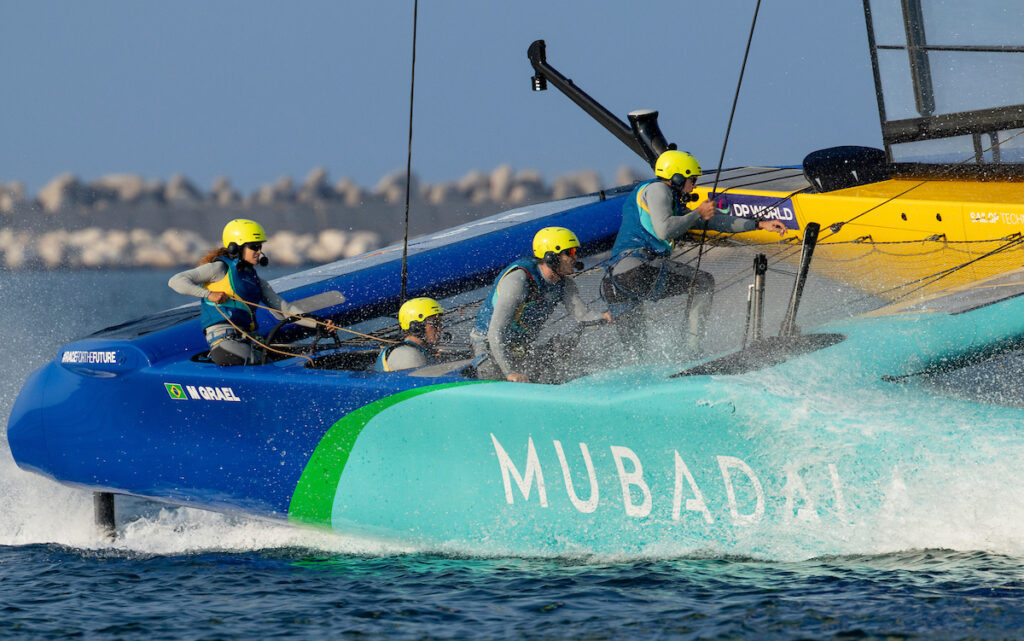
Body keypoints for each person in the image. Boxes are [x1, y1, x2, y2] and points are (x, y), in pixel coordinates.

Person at [602, 150, 787, 359]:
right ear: (677, 178)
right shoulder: (659, 189)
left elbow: (715, 221)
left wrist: (759, 224)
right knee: (703, 282)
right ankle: (692, 354)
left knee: (638, 354)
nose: (695, 185)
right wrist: (697, 213)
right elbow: (665, 230)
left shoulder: (670, 203)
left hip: (615, 282)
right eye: (692, 179)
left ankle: (647, 380)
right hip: (636, 270)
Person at [169, 218, 335, 366]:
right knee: (268, 366)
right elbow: (176, 281)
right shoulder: (218, 269)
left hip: (247, 341)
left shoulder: (257, 281)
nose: (259, 251)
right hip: (224, 344)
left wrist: (318, 324)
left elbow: (285, 310)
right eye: (254, 247)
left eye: (260, 246)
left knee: (283, 361)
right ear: (235, 248)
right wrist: (208, 294)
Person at [471, 226, 611, 383]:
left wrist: (605, 317)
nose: (575, 257)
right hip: (489, 344)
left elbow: (583, 316)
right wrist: (510, 372)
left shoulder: (564, 284)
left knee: (562, 361)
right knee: (497, 380)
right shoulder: (518, 281)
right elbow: (495, 333)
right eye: (570, 252)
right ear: (552, 257)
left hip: (520, 346)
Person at [374, 297, 447, 372]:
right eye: (435, 324)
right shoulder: (407, 354)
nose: (440, 329)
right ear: (416, 326)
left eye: (440, 323)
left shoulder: (421, 350)